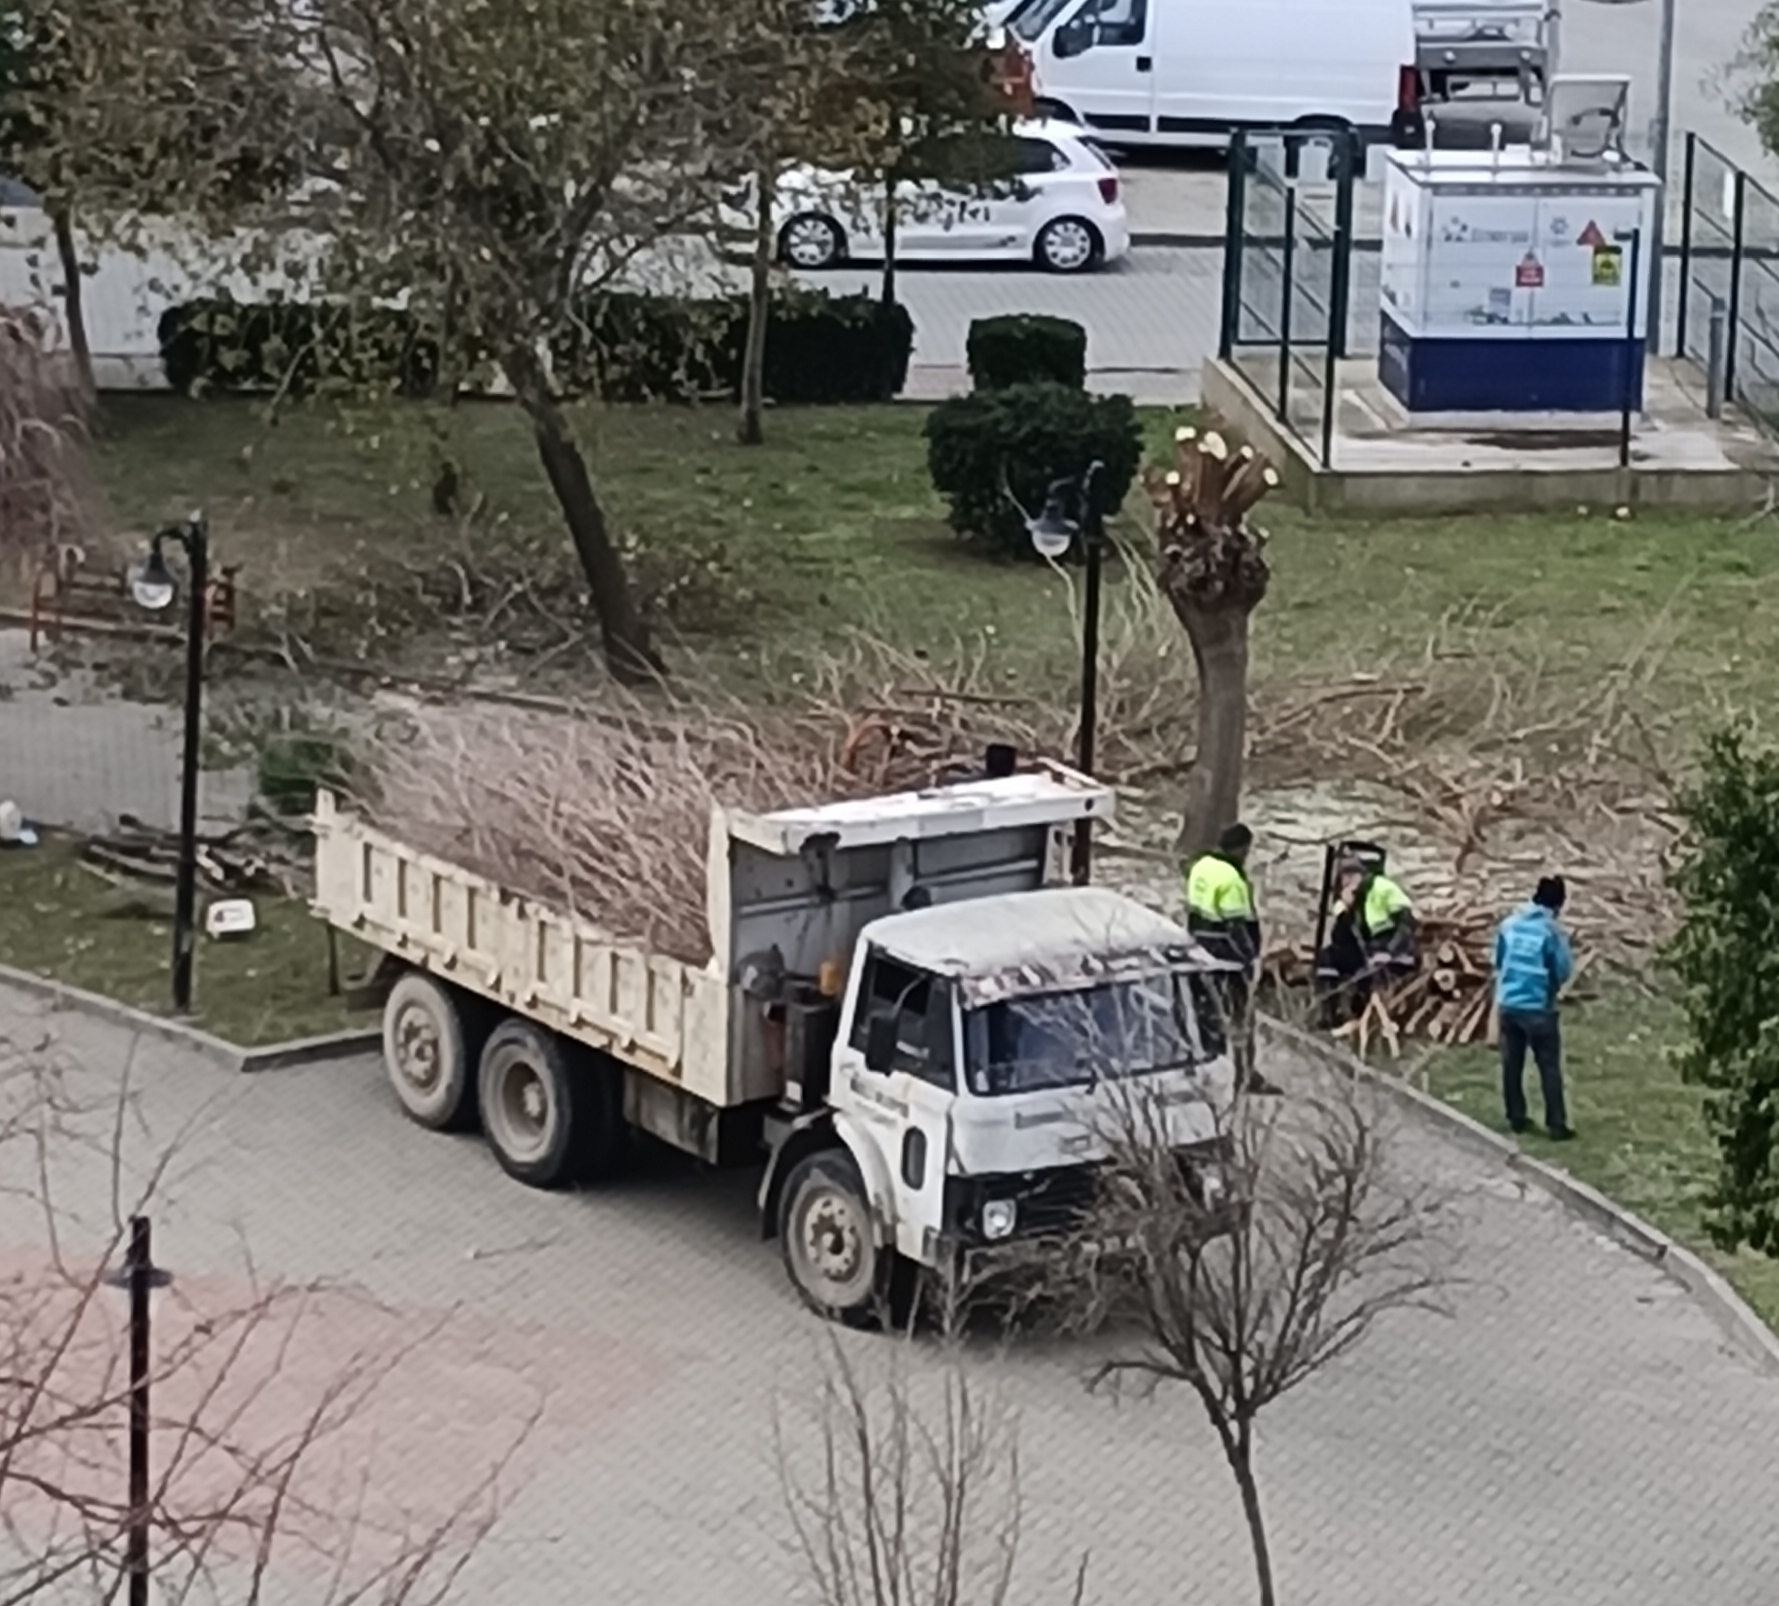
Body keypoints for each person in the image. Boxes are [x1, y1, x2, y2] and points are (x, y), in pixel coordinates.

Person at [1184, 823, 1277, 1095]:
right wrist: (1249, 958)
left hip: (1200, 951)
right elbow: (1237, 925)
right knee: (1242, 1019)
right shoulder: (1232, 880)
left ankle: (1209, 1068)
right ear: (1241, 849)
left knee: (1206, 1014)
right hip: (1229, 960)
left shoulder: (1201, 867)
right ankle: (1244, 1075)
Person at [1493, 875, 1576, 1141]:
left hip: (1508, 1003)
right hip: (1538, 1006)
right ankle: (1556, 1124)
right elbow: (1563, 970)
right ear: (1558, 905)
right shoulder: (1550, 931)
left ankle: (1516, 1117)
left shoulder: (1509, 924)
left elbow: (1498, 960)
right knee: (1548, 1066)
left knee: (1511, 1064)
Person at [1315, 856, 1417, 1022]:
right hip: (1367, 952)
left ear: (1362, 875)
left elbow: (1407, 924)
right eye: (1344, 877)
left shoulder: (1381, 886)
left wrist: (1390, 951)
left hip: (1393, 951)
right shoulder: (1352, 901)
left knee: (1371, 977)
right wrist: (1344, 915)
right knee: (1328, 957)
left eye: (1352, 875)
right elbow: (1341, 941)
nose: (1348, 881)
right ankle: (1330, 1014)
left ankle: (1366, 1013)